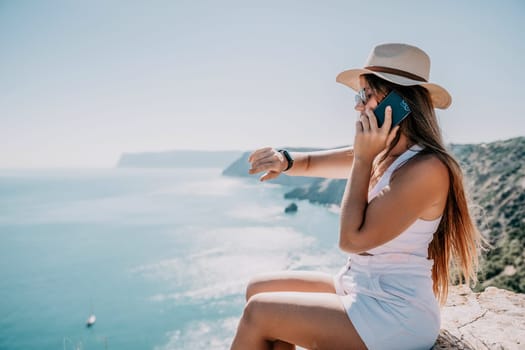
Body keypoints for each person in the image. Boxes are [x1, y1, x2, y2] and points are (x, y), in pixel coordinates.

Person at [230, 43, 483, 350]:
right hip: (359, 287)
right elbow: (309, 162)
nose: (357, 105)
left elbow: (352, 240)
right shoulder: (386, 153)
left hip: (395, 314)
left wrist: (363, 160)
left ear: (397, 103)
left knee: (260, 313)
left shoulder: (426, 169)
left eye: (365, 95)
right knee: (258, 289)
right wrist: (283, 158)